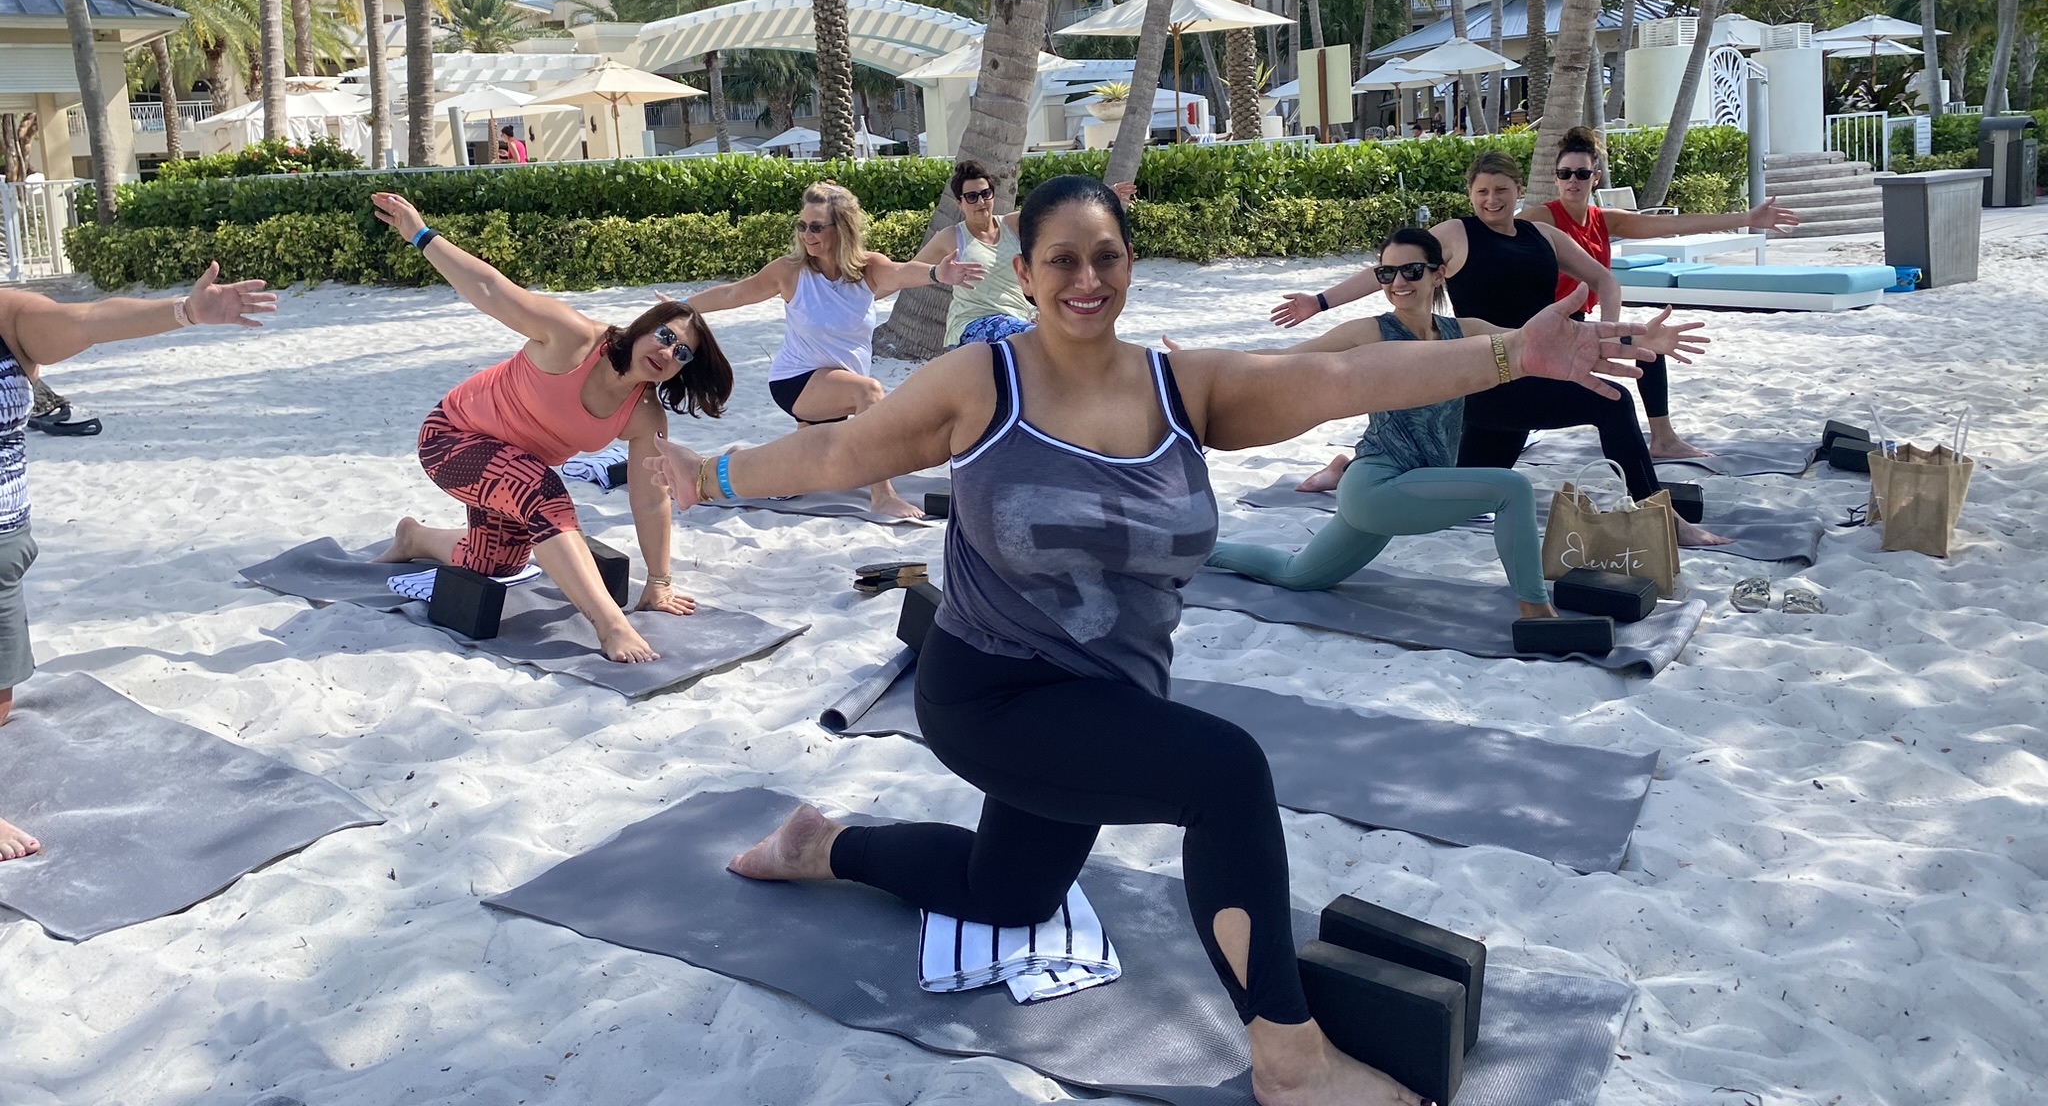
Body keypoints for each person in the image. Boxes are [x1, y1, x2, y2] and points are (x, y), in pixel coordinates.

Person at [643, 175, 1649, 1106]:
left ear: (1130, 262)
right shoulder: (978, 384)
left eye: (1106, 257)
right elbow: (832, 449)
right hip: (988, 694)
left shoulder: (1183, 390)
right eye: (1062, 261)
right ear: (1026, 272)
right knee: (1224, 775)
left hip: (1105, 700)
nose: (1086, 280)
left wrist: (1513, 352)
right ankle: (1287, 1059)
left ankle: (823, 844)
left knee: (1011, 895)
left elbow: (1348, 373)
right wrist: (711, 478)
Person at [1205, 226, 1707, 614]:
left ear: (1439, 273)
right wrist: (1210, 367)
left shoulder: (1463, 331)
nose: (1398, 283)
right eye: (1386, 274)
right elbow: (1286, 362)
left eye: (1411, 272)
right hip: (1378, 485)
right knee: (1511, 488)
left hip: (1412, 482)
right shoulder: (1369, 331)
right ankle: (1535, 609)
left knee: (1298, 575)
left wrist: (1635, 339)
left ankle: (1199, 551)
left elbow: (1544, 344)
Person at [1271, 151, 1728, 548]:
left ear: (1518, 189)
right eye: (1482, 191)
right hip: (1485, 376)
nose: (1492, 200)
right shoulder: (1456, 234)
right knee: (1612, 402)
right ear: (1470, 193)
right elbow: (1394, 268)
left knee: (1462, 477)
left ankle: (1347, 469)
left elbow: (1604, 278)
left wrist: (1609, 329)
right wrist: (1320, 301)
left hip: (1539, 368)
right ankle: (1661, 518)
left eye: (1502, 190)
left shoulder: (1542, 236)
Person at [368, 192, 733, 664]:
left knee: (496, 563)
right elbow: (491, 291)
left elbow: (649, 498)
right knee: (544, 494)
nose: (668, 352)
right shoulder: (576, 338)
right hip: (451, 439)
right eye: (666, 336)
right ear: (646, 326)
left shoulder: (645, 415)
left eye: (681, 354)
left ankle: (414, 537)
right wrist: (421, 235)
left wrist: (659, 583)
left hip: (512, 472)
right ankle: (610, 625)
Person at [0, 263, 276, 861]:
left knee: (1, 709)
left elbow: (89, 320)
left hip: (4, 547)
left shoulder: (9, 317)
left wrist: (184, 312)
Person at [688, 181, 983, 519]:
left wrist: (937, 273)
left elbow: (901, 273)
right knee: (869, 392)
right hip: (796, 381)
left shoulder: (866, 269)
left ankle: (738, 460)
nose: (806, 234)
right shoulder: (791, 271)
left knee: (793, 480)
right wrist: (683, 306)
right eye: (802, 226)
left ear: (840, 229)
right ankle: (883, 496)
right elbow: (734, 294)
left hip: (835, 385)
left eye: (816, 227)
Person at [1518, 124, 1797, 459]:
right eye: (1565, 174)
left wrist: (1747, 217)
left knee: (1650, 343)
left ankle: (1663, 439)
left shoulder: (1603, 220)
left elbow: (1673, 225)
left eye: (1581, 173)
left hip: (1582, 323)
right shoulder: (1540, 217)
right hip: (1543, 325)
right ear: (1556, 178)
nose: (1572, 181)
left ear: (1596, 177)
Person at [910, 160, 1136, 348]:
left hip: (1017, 324)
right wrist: (937, 272)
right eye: (971, 197)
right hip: (972, 326)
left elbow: (1054, 207)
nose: (981, 201)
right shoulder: (950, 237)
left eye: (985, 193)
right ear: (960, 203)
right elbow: (907, 270)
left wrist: (1107, 195)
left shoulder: (1011, 225)